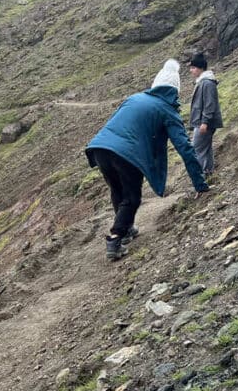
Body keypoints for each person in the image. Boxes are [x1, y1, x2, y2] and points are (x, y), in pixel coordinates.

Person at [85, 59, 209, 261]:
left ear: (156, 84)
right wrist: (200, 184)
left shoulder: (134, 98)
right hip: (126, 153)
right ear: (174, 91)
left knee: (117, 190)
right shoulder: (167, 110)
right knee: (132, 197)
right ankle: (115, 239)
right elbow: (185, 149)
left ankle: (127, 229)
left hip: (99, 148)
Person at [188, 52, 222, 179]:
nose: (191, 71)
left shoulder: (207, 83)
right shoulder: (203, 82)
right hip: (202, 122)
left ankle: (200, 177)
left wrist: (204, 122)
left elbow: (209, 104)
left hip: (204, 123)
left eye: (193, 68)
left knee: (196, 150)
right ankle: (208, 174)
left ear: (200, 68)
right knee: (205, 149)